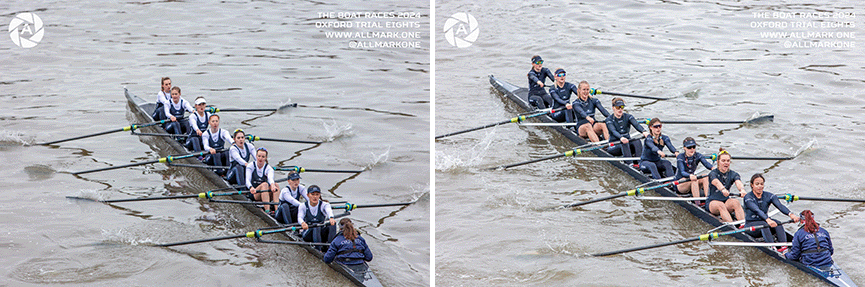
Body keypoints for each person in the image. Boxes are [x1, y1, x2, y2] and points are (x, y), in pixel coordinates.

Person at [742, 173, 800, 249]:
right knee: (764, 225)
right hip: (751, 226)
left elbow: (780, 206)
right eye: (757, 184)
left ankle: (783, 246)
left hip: (765, 222)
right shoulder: (748, 198)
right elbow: (756, 210)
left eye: (761, 184)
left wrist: (791, 214)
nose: (760, 186)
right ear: (752, 185)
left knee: (778, 223)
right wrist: (768, 220)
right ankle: (772, 247)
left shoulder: (769, 196)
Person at [705, 148, 747, 223]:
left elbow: (738, 182)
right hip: (712, 203)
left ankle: (743, 224)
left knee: (736, 202)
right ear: (718, 162)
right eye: (723, 161)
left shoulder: (733, 174)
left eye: (728, 161)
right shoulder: (713, 173)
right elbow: (716, 182)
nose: (726, 163)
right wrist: (723, 189)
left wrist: (742, 190)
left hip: (726, 202)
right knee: (720, 205)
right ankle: (732, 226)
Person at [605, 98, 648, 165]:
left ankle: (640, 162)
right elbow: (613, 131)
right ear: (613, 108)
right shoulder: (609, 119)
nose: (620, 109)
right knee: (624, 143)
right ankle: (630, 164)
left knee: (636, 140)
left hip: (627, 142)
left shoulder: (628, 117)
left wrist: (644, 131)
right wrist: (621, 138)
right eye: (618, 107)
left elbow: (636, 124)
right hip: (615, 146)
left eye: (622, 107)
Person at [675, 137, 713, 205]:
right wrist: (690, 175)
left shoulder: (698, 155)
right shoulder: (680, 157)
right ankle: (697, 204)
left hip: (691, 180)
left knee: (705, 176)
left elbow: (707, 165)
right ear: (684, 148)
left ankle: (709, 201)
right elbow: (682, 172)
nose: (692, 149)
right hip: (680, 183)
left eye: (694, 147)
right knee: (694, 179)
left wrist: (714, 168)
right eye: (689, 147)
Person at [300, 185, 337, 251]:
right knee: (316, 226)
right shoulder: (303, 206)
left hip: (320, 232)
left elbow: (329, 210)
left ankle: (330, 248)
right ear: (308, 195)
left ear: (319, 195)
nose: (315, 197)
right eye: (312, 194)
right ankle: (318, 249)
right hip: (308, 233)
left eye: (317, 194)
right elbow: (300, 217)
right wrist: (302, 223)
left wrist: (331, 218)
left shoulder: (324, 204)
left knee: (332, 224)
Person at [246, 147, 280, 214]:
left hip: (265, 193)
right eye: (259, 156)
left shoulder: (269, 168)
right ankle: (267, 211)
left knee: (276, 185)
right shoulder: (251, 166)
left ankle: (277, 210)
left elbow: (270, 178)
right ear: (256, 156)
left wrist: (272, 185)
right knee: (265, 184)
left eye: (263, 157)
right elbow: (247, 180)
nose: (260, 158)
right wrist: (251, 187)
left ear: (266, 158)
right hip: (254, 193)